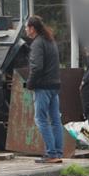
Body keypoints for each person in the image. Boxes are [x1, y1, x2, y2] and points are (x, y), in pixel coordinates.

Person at [25, 15, 63, 164]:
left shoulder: (37, 44)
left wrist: (30, 83)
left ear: (32, 29)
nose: (26, 30)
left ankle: (51, 153)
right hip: (55, 85)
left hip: (43, 87)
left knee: (40, 120)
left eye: (27, 27)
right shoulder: (50, 40)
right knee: (55, 120)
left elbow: (37, 67)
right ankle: (58, 152)